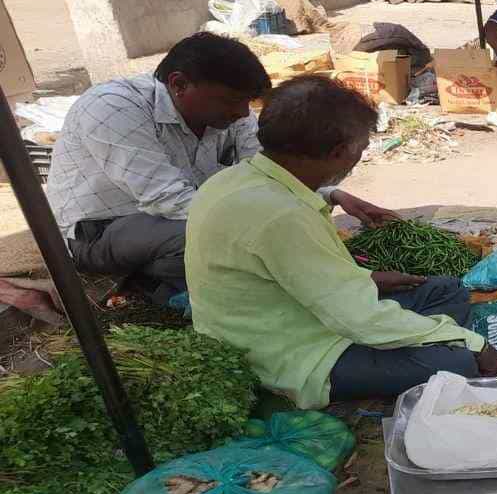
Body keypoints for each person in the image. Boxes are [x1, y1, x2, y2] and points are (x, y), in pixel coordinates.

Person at [185, 76, 497, 408]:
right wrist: (473, 342)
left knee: (446, 290)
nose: (357, 159)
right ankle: (434, 348)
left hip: (293, 313)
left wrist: (362, 280)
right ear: (340, 152)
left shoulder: (235, 178)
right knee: (458, 364)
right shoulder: (283, 216)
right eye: (361, 149)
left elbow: (295, 274)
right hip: (288, 354)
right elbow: (358, 318)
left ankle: (427, 343)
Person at [44, 32, 387, 306]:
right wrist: (284, 232)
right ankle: (155, 287)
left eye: (246, 103)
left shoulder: (226, 113)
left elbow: (270, 170)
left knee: (262, 234)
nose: (241, 113)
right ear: (179, 84)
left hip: (175, 217)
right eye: (231, 101)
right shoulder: (113, 107)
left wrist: (331, 194)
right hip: (102, 231)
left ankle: (164, 273)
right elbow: (169, 201)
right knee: (228, 242)